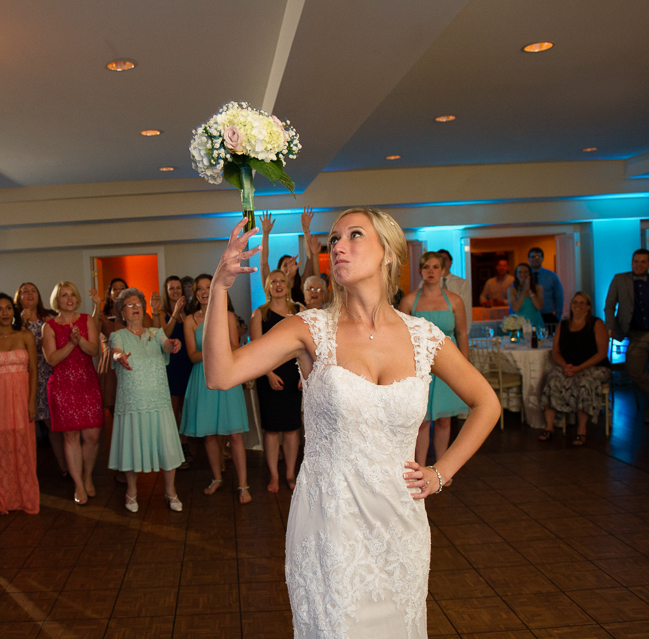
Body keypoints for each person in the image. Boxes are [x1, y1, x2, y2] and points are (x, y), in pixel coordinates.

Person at [202, 210, 499, 638]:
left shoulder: (425, 337)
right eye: (334, 238)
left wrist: (439, 473)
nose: (338, 246)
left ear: (387, 253)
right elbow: (220, 374)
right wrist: (219, 288)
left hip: (400, 525)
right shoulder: (309, 328)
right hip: (331, 524)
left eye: (354, 235)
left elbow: (486, 403)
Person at [108, 288, 185, 512]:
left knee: (167, 447)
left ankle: (171, 492)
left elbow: (167, 345)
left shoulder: (156, 331)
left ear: (144, 309)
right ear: (122, 313)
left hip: (158, 400)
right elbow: (116, 351)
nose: (135, 308)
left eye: (138, 304)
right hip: (132, 402)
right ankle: (131, 492)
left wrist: (174, 345)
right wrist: (118, 357)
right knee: (131, 446)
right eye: (129, 305)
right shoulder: (118, 335)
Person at [180, 274, 252, 504]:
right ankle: (217, 478)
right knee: (209, 435)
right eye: (199, 288)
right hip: (202, 379)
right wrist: (215, 351)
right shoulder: (190, 321)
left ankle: (243, 485)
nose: (203, 291)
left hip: (227, 376)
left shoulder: (228, 316)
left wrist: (215, 351)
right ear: (195, 294)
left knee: (235, 435)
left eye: (208, 287)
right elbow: (192, 356)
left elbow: (233, 347)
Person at [400, 252, 470, 468]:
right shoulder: (410, 300)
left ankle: (441, 467)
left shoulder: (455, 301)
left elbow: (462, 334)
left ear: (442, 271)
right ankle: (419, 466)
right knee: (421, 419)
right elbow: (400, 338)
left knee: (443, 419)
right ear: (420, 270)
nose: (430, 271)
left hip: (449, 364)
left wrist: (464, 367)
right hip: (419, 365)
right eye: (426, 267)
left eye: (435, 267)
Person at [0, 293, 40, 515]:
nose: (5, 313)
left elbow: (34, 371)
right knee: (2, 448)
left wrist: (32, 401)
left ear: (14, 312)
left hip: (22, 397)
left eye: (8, 308)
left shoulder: (26, 337)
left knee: (24, 448)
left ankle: (27, 498)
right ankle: (5, 498)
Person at [42, 281, 103, 505]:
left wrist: (81, 341)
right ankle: (78, 484)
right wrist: (70, 344)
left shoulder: (87, 319)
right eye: (64, 295)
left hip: (87, 384)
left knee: (92, 436)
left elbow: (94, 350)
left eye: (72, 295)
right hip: (63, 386)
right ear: (57, 300)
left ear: (77, 299)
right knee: (71, 436)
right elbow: (51, 359)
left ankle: (88, 476)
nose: (69, 299)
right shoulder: (49, 326)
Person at [603, 249, 649, 423]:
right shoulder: (620, 279)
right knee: (633, 371)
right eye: (636, 261)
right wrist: (610, 327)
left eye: (643, 262)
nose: (639, 265)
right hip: (635, 335)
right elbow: (610, 305)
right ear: (631, 262)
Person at [250, 270, 302, 493]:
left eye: (282, 281)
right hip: (268, 375)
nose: (278, 285)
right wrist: (269, 373)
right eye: (274, 282)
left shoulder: (299, 311)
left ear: (288, 284)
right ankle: (274, 474)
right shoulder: (259, 314)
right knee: (271, 430)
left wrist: (303, 375)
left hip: (294, 375)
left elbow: (307, 347)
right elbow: (256, 349)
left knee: (291, 429)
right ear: (268, 287)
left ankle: (290, 474)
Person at [539, 292, 610, 445]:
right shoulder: (563, 325)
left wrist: (579, 368)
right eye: (575, 302)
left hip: (594, 366)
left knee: (584, 382)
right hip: (569, 366)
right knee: (552, 377)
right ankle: (549, 426)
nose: (577, 306)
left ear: (588, 307)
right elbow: (556, 351)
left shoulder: (596, 323)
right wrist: (566, 366)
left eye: (582, 302)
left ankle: (582, 429)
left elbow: (602, 353)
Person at [15, 282, 67, 475]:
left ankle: (64, 466)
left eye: (33, 291)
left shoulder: (50, 318)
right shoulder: (13, 322)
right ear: (18, 297)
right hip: (25, 377)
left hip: (51, 374)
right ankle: (26, 471)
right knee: (26, 426)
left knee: (53, 424)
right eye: (24, 292)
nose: (30, 294)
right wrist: (20, 324)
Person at [156, 276, 194, 468]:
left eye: (178, 288)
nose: (176, 291)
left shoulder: (189, 313)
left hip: (188, 362)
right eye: (172, 288)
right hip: (171, 365)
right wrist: (175, 312)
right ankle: (172, 448)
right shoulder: (161, 313)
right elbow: (164, 335)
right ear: (166, 291)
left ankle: (184, 444)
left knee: (185, 408)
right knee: (173, 409)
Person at [436, 248, 473, 329]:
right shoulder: (427, 284)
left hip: (456, 328)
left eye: (444, 259)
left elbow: (466, 308)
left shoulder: (462, 283)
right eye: (439, 259)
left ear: (450, 262)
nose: (442, 262)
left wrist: (466, 330)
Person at [528, 247, 565, 324]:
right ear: (529, 259)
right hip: (529, 315)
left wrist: (558, 315)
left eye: (538, 256)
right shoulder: (523, 276)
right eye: (533, 257)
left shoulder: (552, 276)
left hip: (547, 316)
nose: (535, 259)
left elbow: (559, 297)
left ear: (542, 259)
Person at [508, 263, 546, 329]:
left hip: (535, 323)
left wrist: (529, 290)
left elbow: (539, 307)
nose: (523, 274)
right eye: (520, 272)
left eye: (525, 272)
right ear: (516, 275)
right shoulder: (511, 290)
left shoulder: (538, 288)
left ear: (530, 273)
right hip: (519, 325)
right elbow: (515, 309)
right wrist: (524, 291)